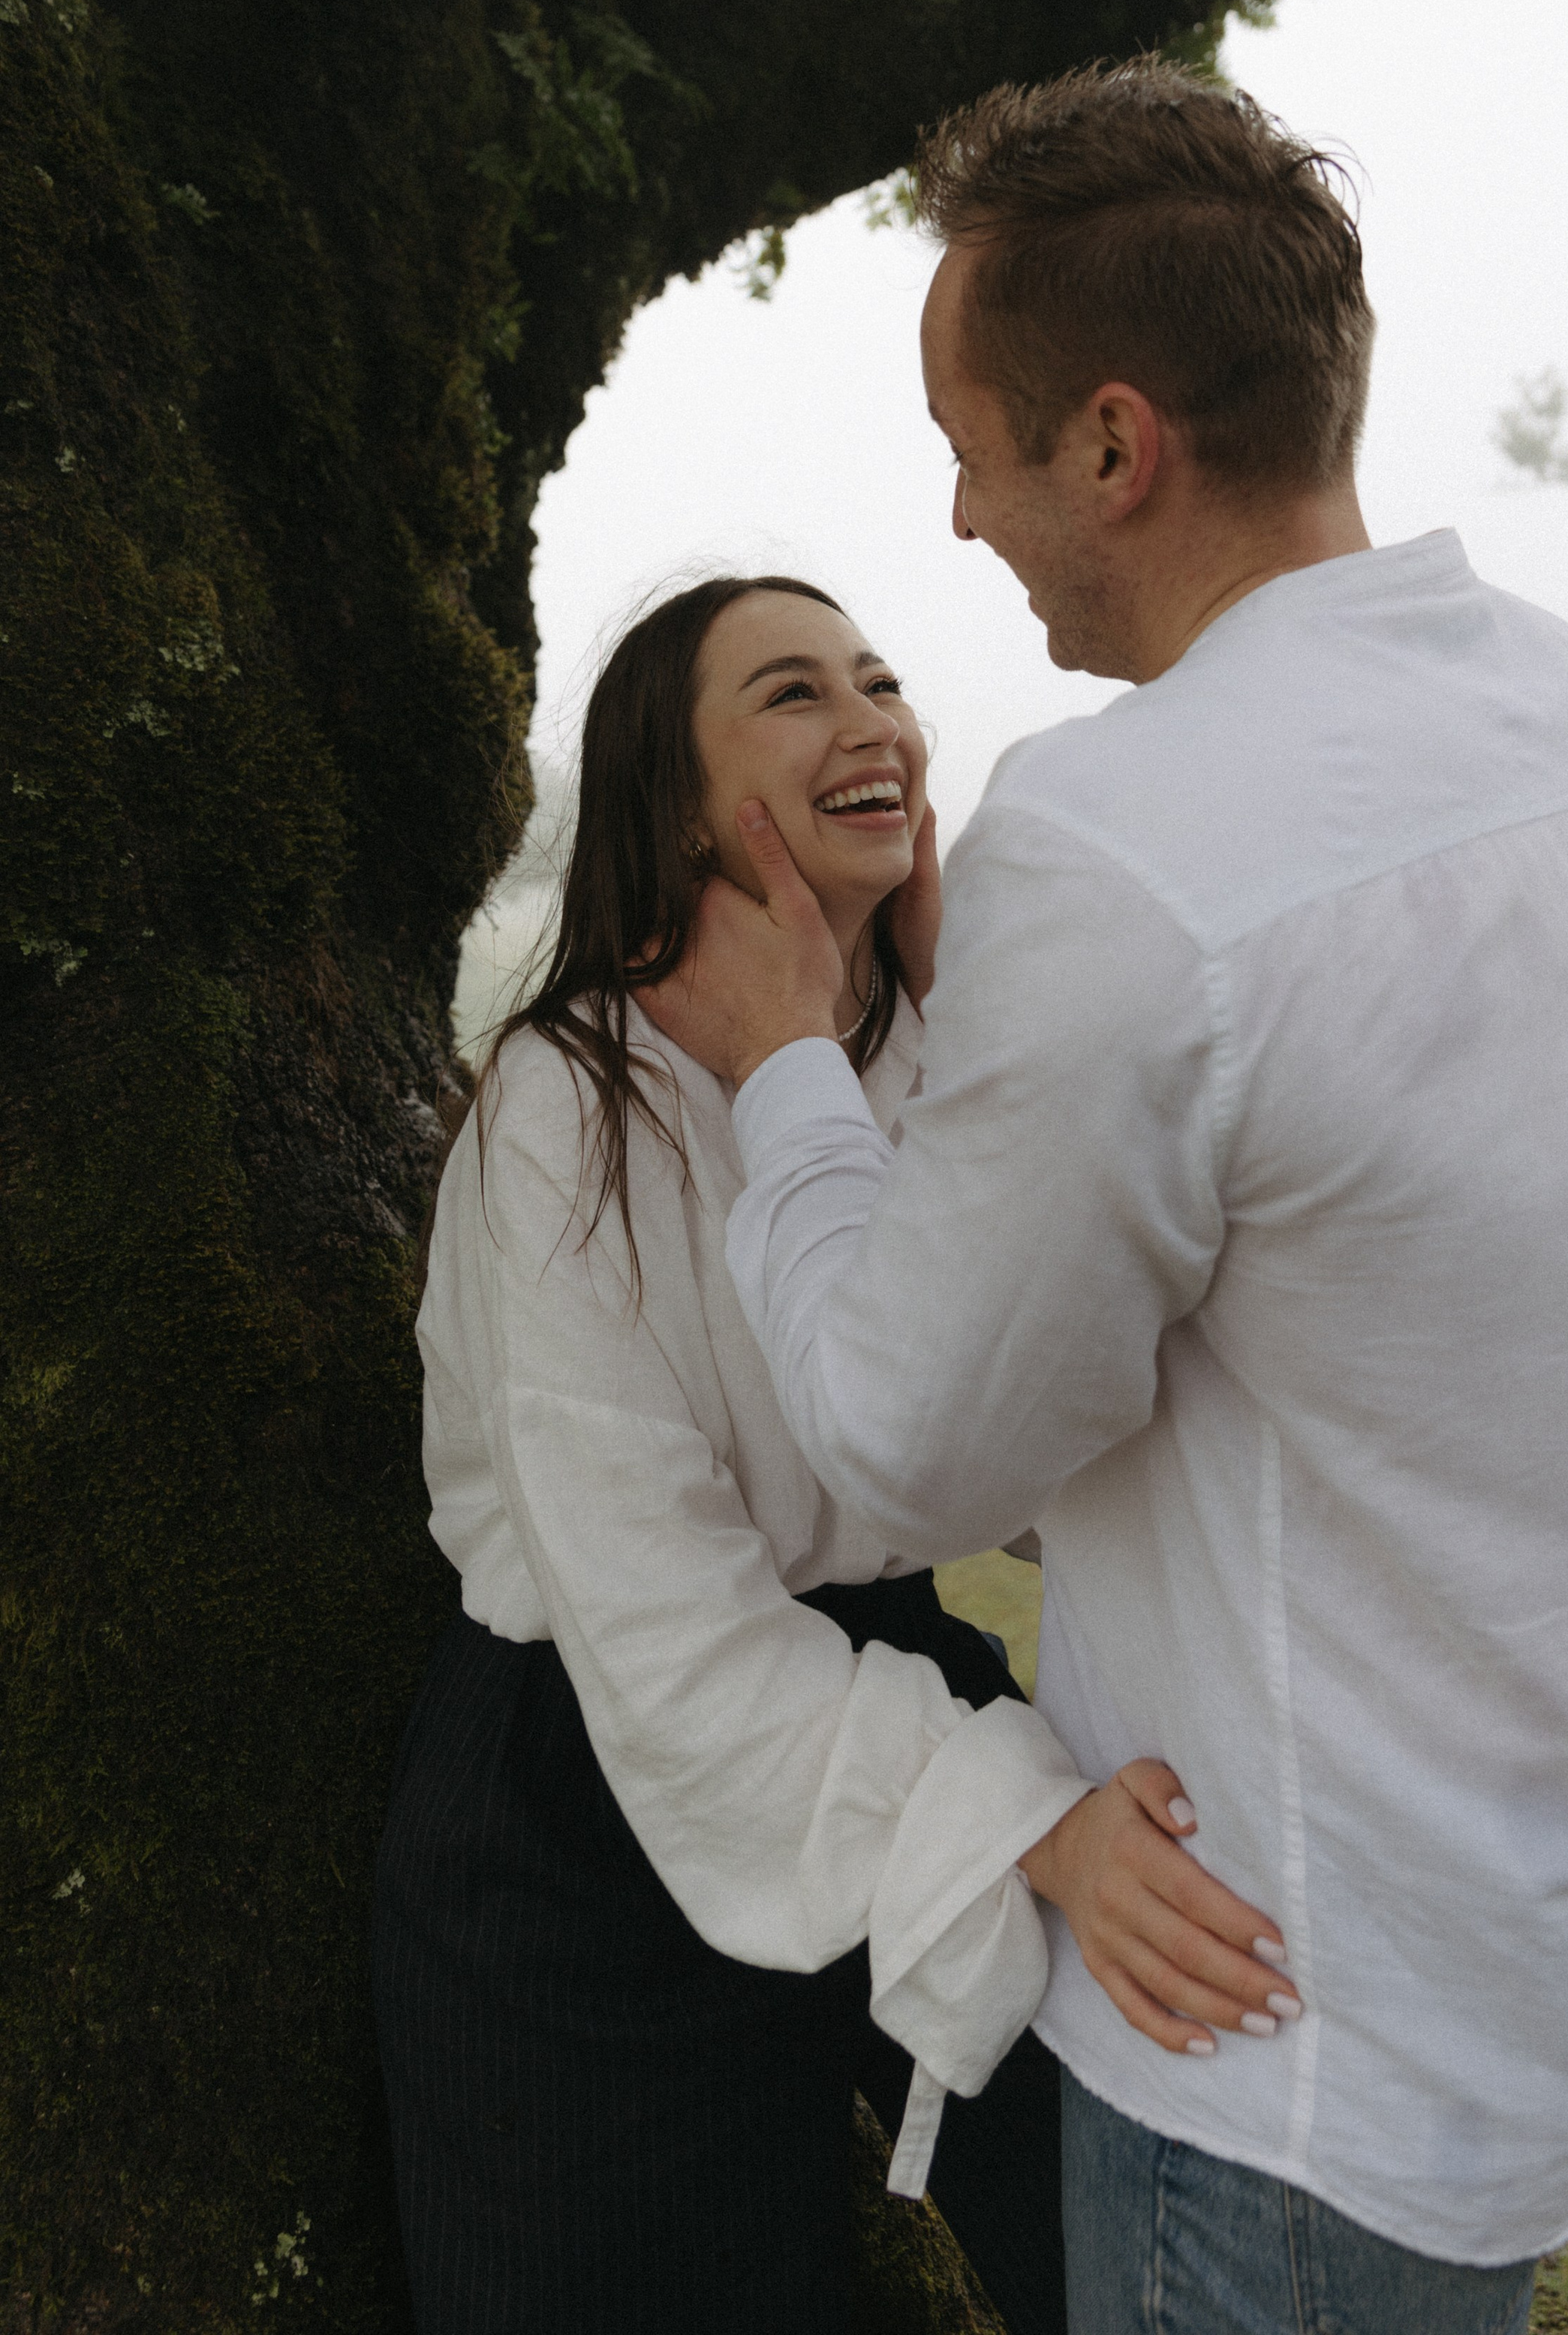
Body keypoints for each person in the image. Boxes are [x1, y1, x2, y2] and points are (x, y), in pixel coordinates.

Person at [639, 64, 1568, 2335]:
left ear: (1110, 443)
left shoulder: (1122, 844)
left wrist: (790, 1057)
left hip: (1292, 2026)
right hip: (1566, 1911)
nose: (964, 521)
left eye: (972, 444)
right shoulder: (1552, 702)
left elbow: (902, 1438)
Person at [375, 570, 1292, 2335]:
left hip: (896, 1688)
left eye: (877, 680)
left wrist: (992, 1057)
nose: (867, 719)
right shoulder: (570, 1108)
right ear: (676, 801)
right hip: (582, 1801)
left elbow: (1069, 1438)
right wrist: (1033, 1831)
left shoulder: (938, 1048)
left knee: (1131, 2224)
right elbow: (661, 1629)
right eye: (793, 695)